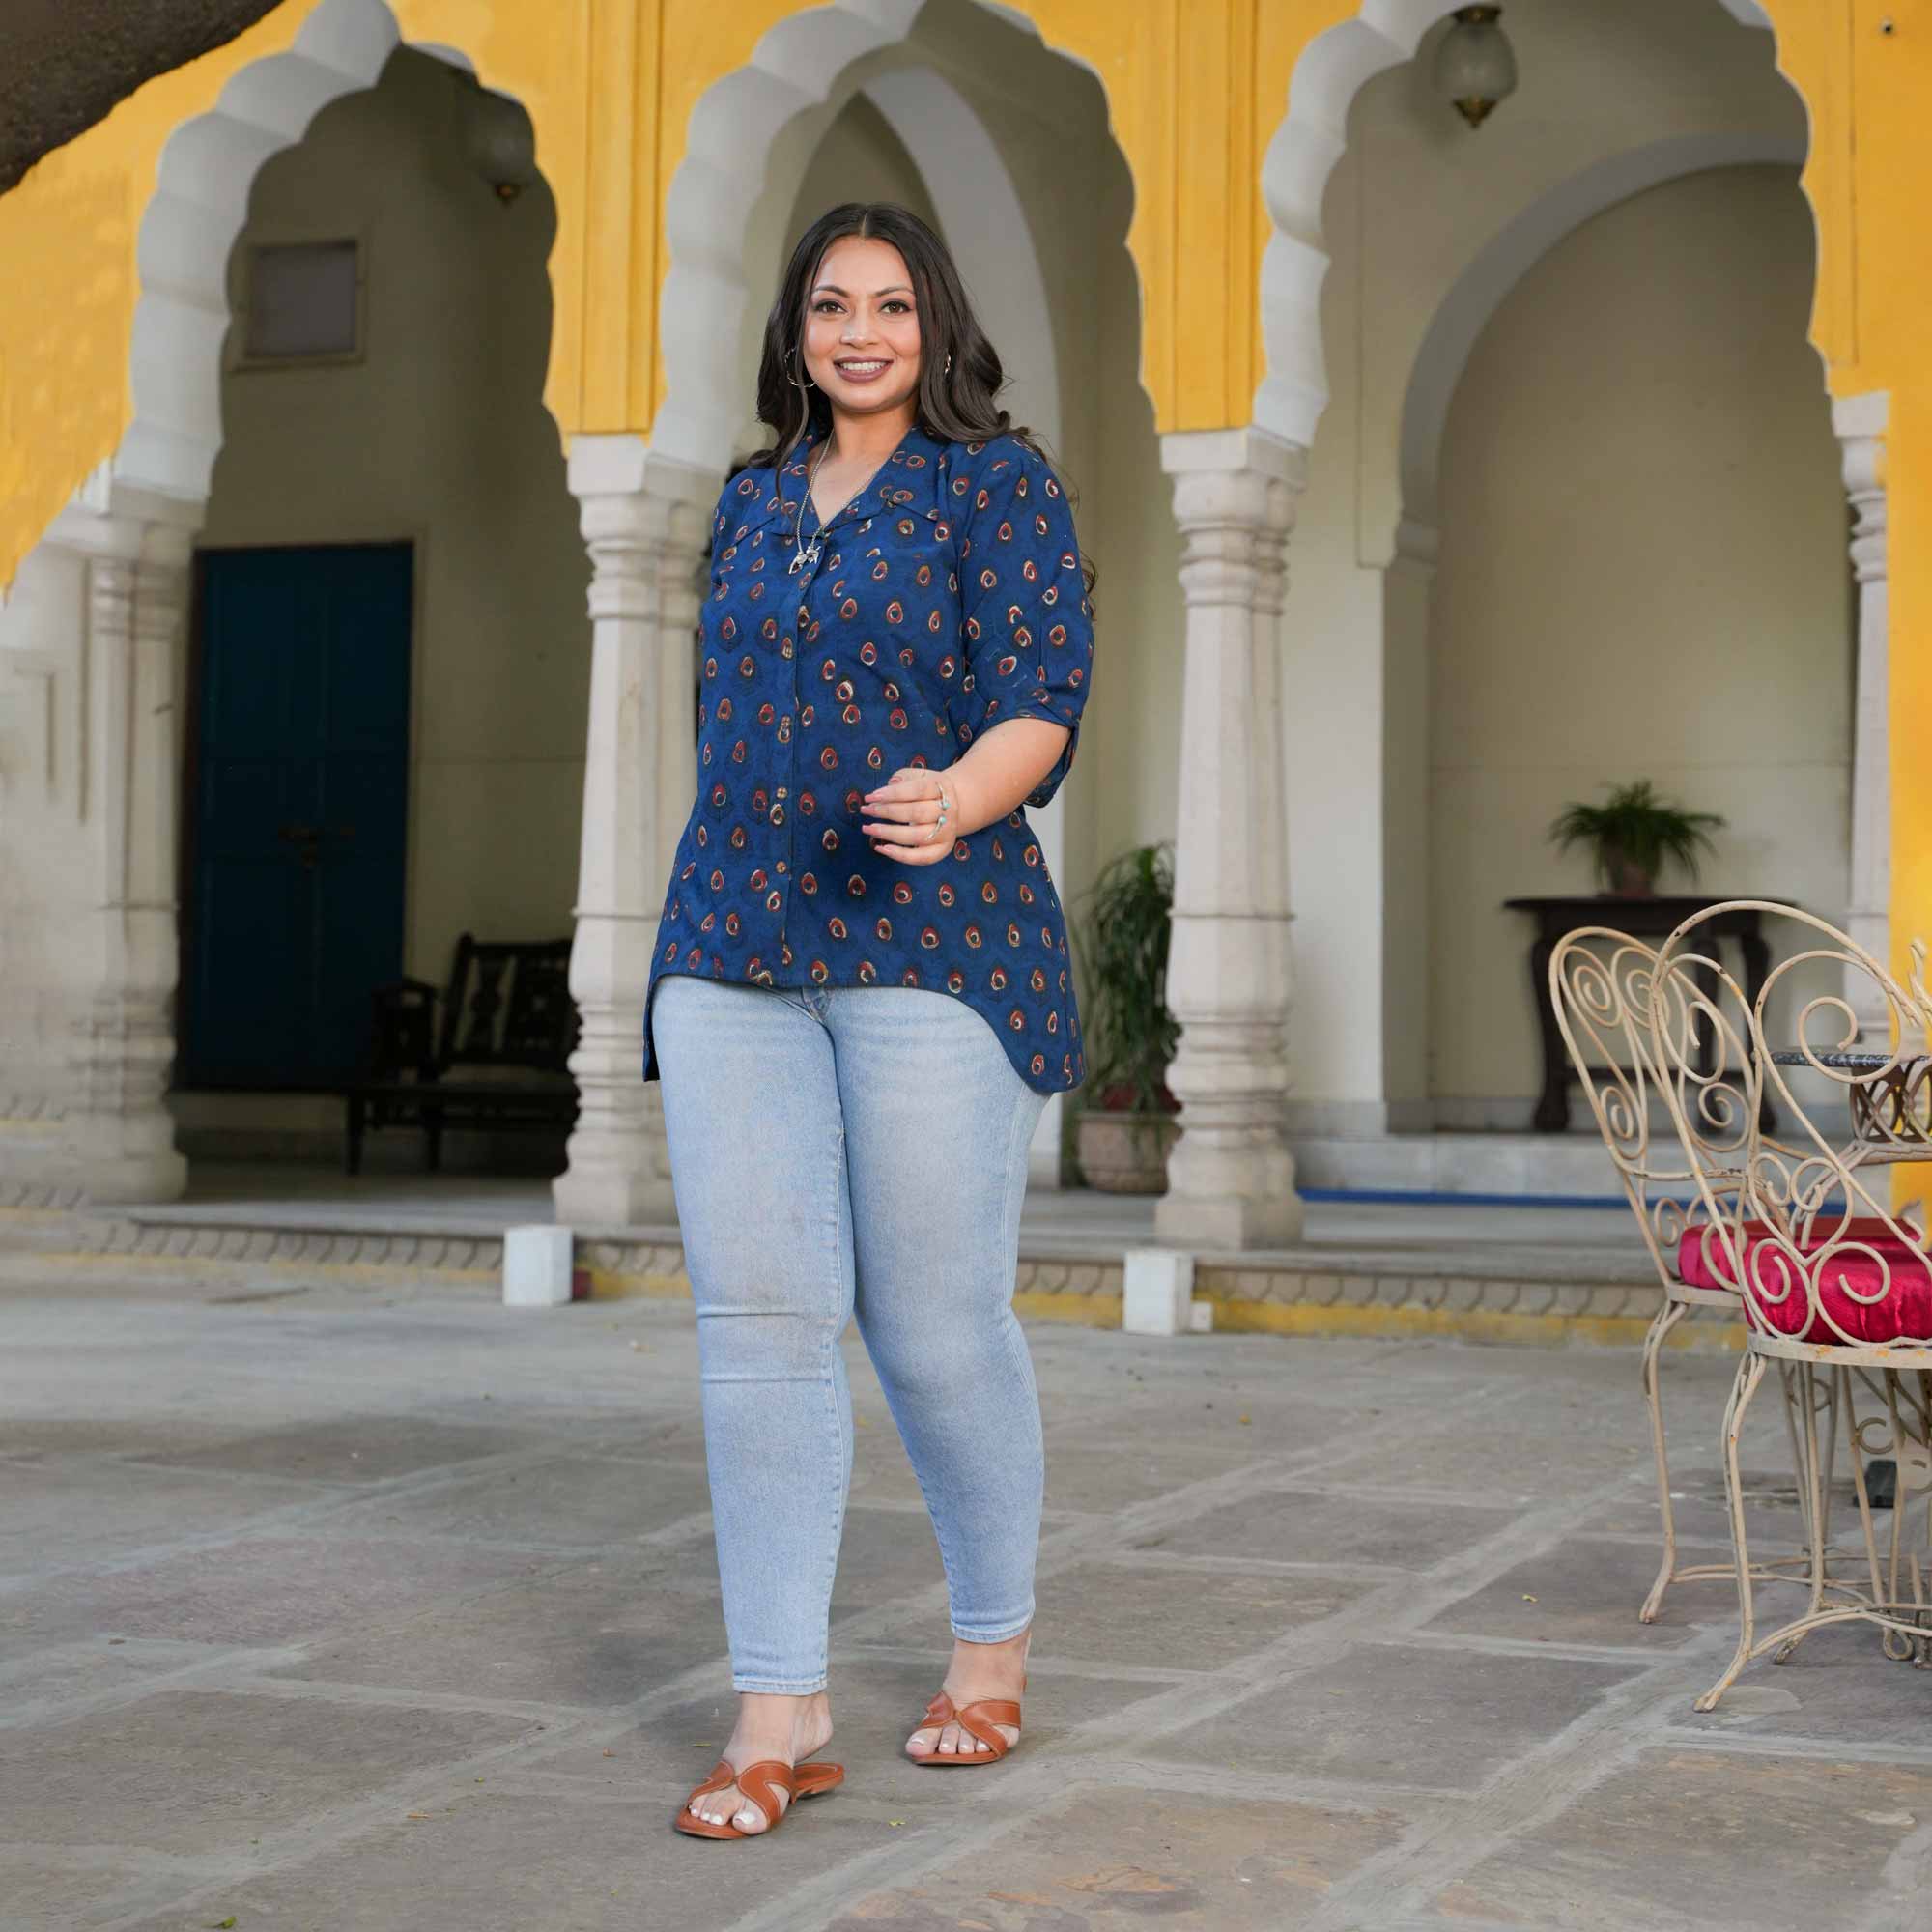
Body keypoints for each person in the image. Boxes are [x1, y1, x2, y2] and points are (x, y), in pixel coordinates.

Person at [645, 202, 1095, 1841]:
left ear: (936, 325)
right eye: (831, 306)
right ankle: (780, 1707)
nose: (860, 332)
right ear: (795, 331)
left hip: (937, 941)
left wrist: (961, 796)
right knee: (757, 1326)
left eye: (892, 306)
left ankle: (992, 1646)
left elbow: (1043, 686)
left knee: (933, 1324)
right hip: (731, 940)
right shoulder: (751, 503)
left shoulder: (998, 484)